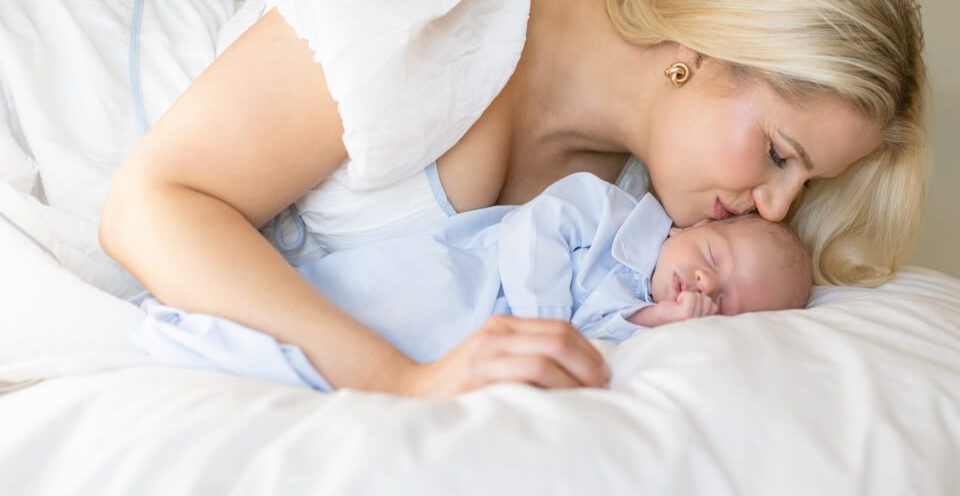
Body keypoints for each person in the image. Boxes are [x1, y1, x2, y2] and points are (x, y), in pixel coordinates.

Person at [98, 0, 927, 398]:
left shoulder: (639, 219)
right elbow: (150, 207)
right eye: (782, 154)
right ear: (705, 48)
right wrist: (398, 381)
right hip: (47, 141)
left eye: (805, 185)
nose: (777, 207)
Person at [132, 172, 812, 392]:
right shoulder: (613, 212)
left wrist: (660, 322)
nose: (702, 281)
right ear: (696, 225)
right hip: (464, 275)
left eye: (723, 302)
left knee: (362, 353)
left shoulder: (633, 311)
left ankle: (246, 352)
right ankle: (216, 316)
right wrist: (545, 315)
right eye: (714, 256)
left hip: (463, 335)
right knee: (365, 302)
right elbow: (538, 228)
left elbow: (598, 340)